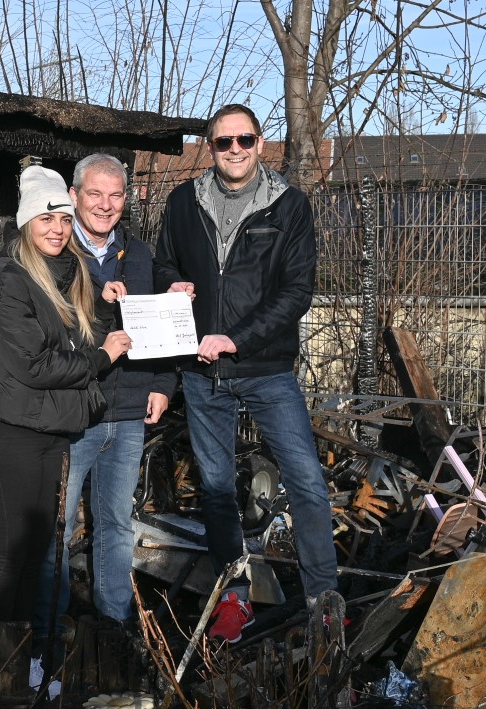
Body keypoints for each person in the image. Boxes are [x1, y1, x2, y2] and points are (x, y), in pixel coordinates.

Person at [154, 103, 339, 643]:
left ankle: (323, 601)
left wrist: (238, 337)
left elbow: (295, 293)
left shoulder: (289, 206)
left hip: (265, 368)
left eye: (245, 140)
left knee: (305, 480)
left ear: (262, 144)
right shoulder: (183, 202)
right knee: (215, 488)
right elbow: (167, 262)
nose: (234, 150)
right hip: (200, 369)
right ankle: (233, 599)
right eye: (222, 142)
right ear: (209, 148)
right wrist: (173, 284)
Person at [0, 165, 132, 680]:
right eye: (46, 217)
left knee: (36, 549)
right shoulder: (7, 278)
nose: (57, 227)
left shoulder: (69, 275)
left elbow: (76, 339)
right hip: (8, 429)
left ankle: (21, 662)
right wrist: (102, 359)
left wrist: (111, 310)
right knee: (11, 550)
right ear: (25, 222)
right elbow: (33, 364)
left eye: (63, 217)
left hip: (48, 430)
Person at [35, 154, 177, 638]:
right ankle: (48, 630)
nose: (104, 204)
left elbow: (161, 324)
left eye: (115, 195)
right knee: (56, 526)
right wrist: (98, 299)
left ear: (128, 199)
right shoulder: (52, 251)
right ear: (74, 196)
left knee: (116, 524)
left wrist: (162, 384)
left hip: (130, 410)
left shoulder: (140, 255)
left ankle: (114, 625)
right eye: (94, 194)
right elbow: (42, 335)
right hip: (74, 413)